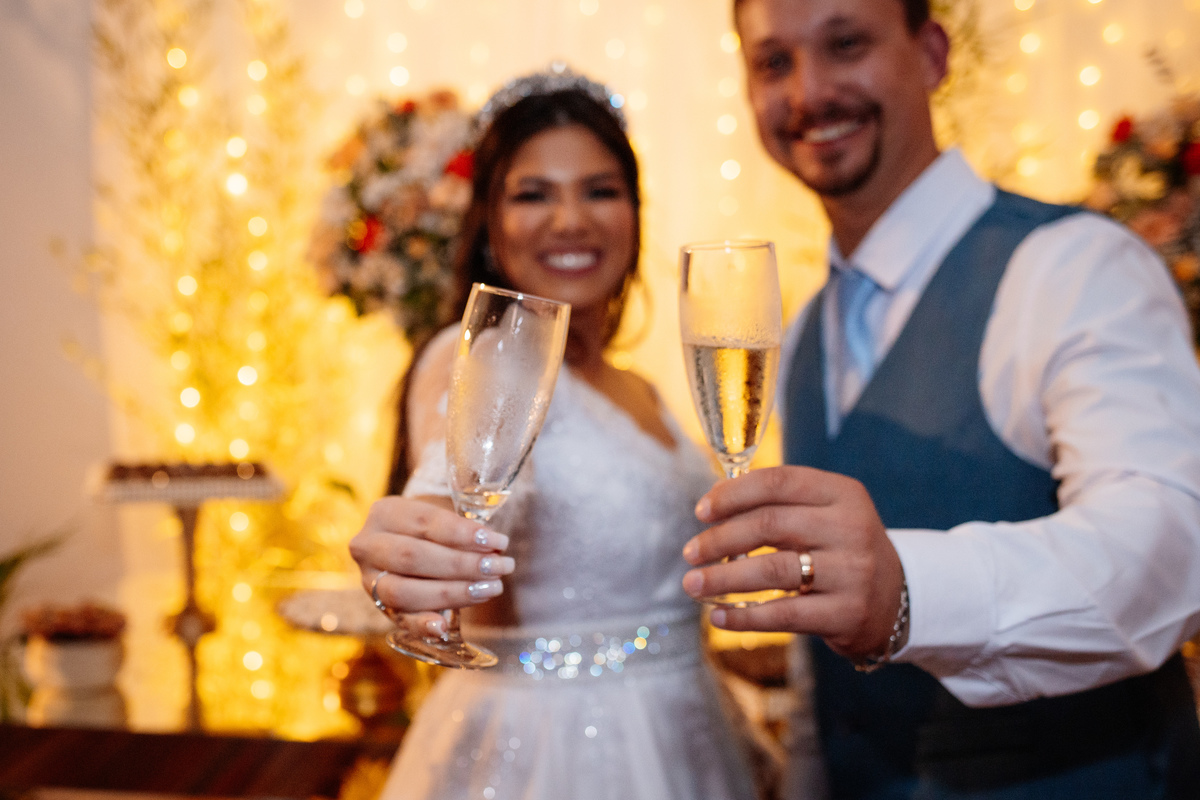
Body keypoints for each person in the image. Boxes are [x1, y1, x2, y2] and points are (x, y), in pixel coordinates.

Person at [679, 0, 1200, 796]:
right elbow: (825, 686)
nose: (808, 92)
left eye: (845, 43)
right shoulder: (804, 330)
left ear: (929, 54)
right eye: (773, 62)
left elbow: (1169, 548)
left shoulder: (1074, 269)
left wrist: (907, 590)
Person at [348, 66, 760, 800]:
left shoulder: (649, 393)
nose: (570, 220)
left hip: (685, 729)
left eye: (599, 190)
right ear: (489, 221)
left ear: (635, 213)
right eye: (533, 194)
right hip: (545, 750)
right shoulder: (485, 358)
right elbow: (460, 493)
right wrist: (419, 559)